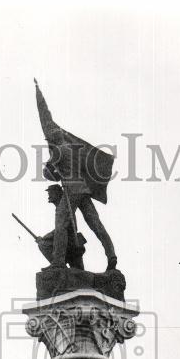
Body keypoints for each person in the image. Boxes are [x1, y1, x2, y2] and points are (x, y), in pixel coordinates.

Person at [35, 80, 117, 271]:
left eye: (49, 139)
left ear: (54, 138)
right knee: (96, 225)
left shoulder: (58, 151)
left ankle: (57, 262)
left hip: (71, 191)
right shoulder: (73, 149)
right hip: (83, 190)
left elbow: (50, 175)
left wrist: (46, 168)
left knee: (61, 223)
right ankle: (111, 255)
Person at [37, 184, 87, 269]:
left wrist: (45, 237)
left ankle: (58, 265)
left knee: (42, 244)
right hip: (67, 244)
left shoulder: (65, 208)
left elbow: (64, 228)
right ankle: (58, 265)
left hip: (71, 244)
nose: (49, 195)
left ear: (58, 193)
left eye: (51, 193)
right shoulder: (59, 208)